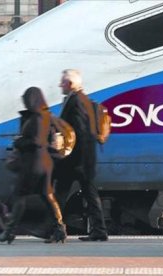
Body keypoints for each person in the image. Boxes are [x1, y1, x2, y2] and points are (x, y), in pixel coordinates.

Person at [0, 87, 67, 244]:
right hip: (46, 162)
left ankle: (9, 232)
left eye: (26, 99)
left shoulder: (37, 118)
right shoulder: (48, 116)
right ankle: (59, 229)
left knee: (20, 196)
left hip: (34, 162)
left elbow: (36, 141)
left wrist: (18, 141)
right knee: (47, 196)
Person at [54, 69, 108, 242]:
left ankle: (55, 229)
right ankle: (99, 230)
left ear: (70, 84)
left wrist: (71, 157)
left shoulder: (76, 101)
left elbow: (80, 132)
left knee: (60, 194)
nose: (59, 85)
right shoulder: (83, 99)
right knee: (90, 195)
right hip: (84, 159)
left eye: (62, 82)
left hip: (77, 160)